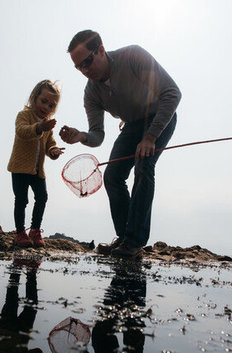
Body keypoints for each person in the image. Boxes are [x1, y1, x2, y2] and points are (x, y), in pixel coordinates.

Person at [59, 30, 181, 258]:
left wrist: (151, 137)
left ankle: (134, 242)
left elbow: (172, 93)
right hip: (133, 124)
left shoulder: (132, 56)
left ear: (101, 50)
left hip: (160, 117)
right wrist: (81, 136)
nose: (85, 71)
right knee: (112, 176)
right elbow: (98, 135)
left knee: (144, 165)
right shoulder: (91, 92)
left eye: (87, 62)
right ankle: (124, 238)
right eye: (79, 67)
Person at [7, 80, 66, 248]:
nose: (46, 107)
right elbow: (22, 131)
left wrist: (53, 151)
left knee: (42, 197)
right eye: (43, 101)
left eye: (51, 105)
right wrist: (40, 127)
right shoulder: (23, 115)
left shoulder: (49, 124)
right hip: (20, 167)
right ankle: (20, 233)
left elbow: (49, 144)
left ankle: (35, 230)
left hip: (38, 171)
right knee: (21, 199)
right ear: (34, 98)